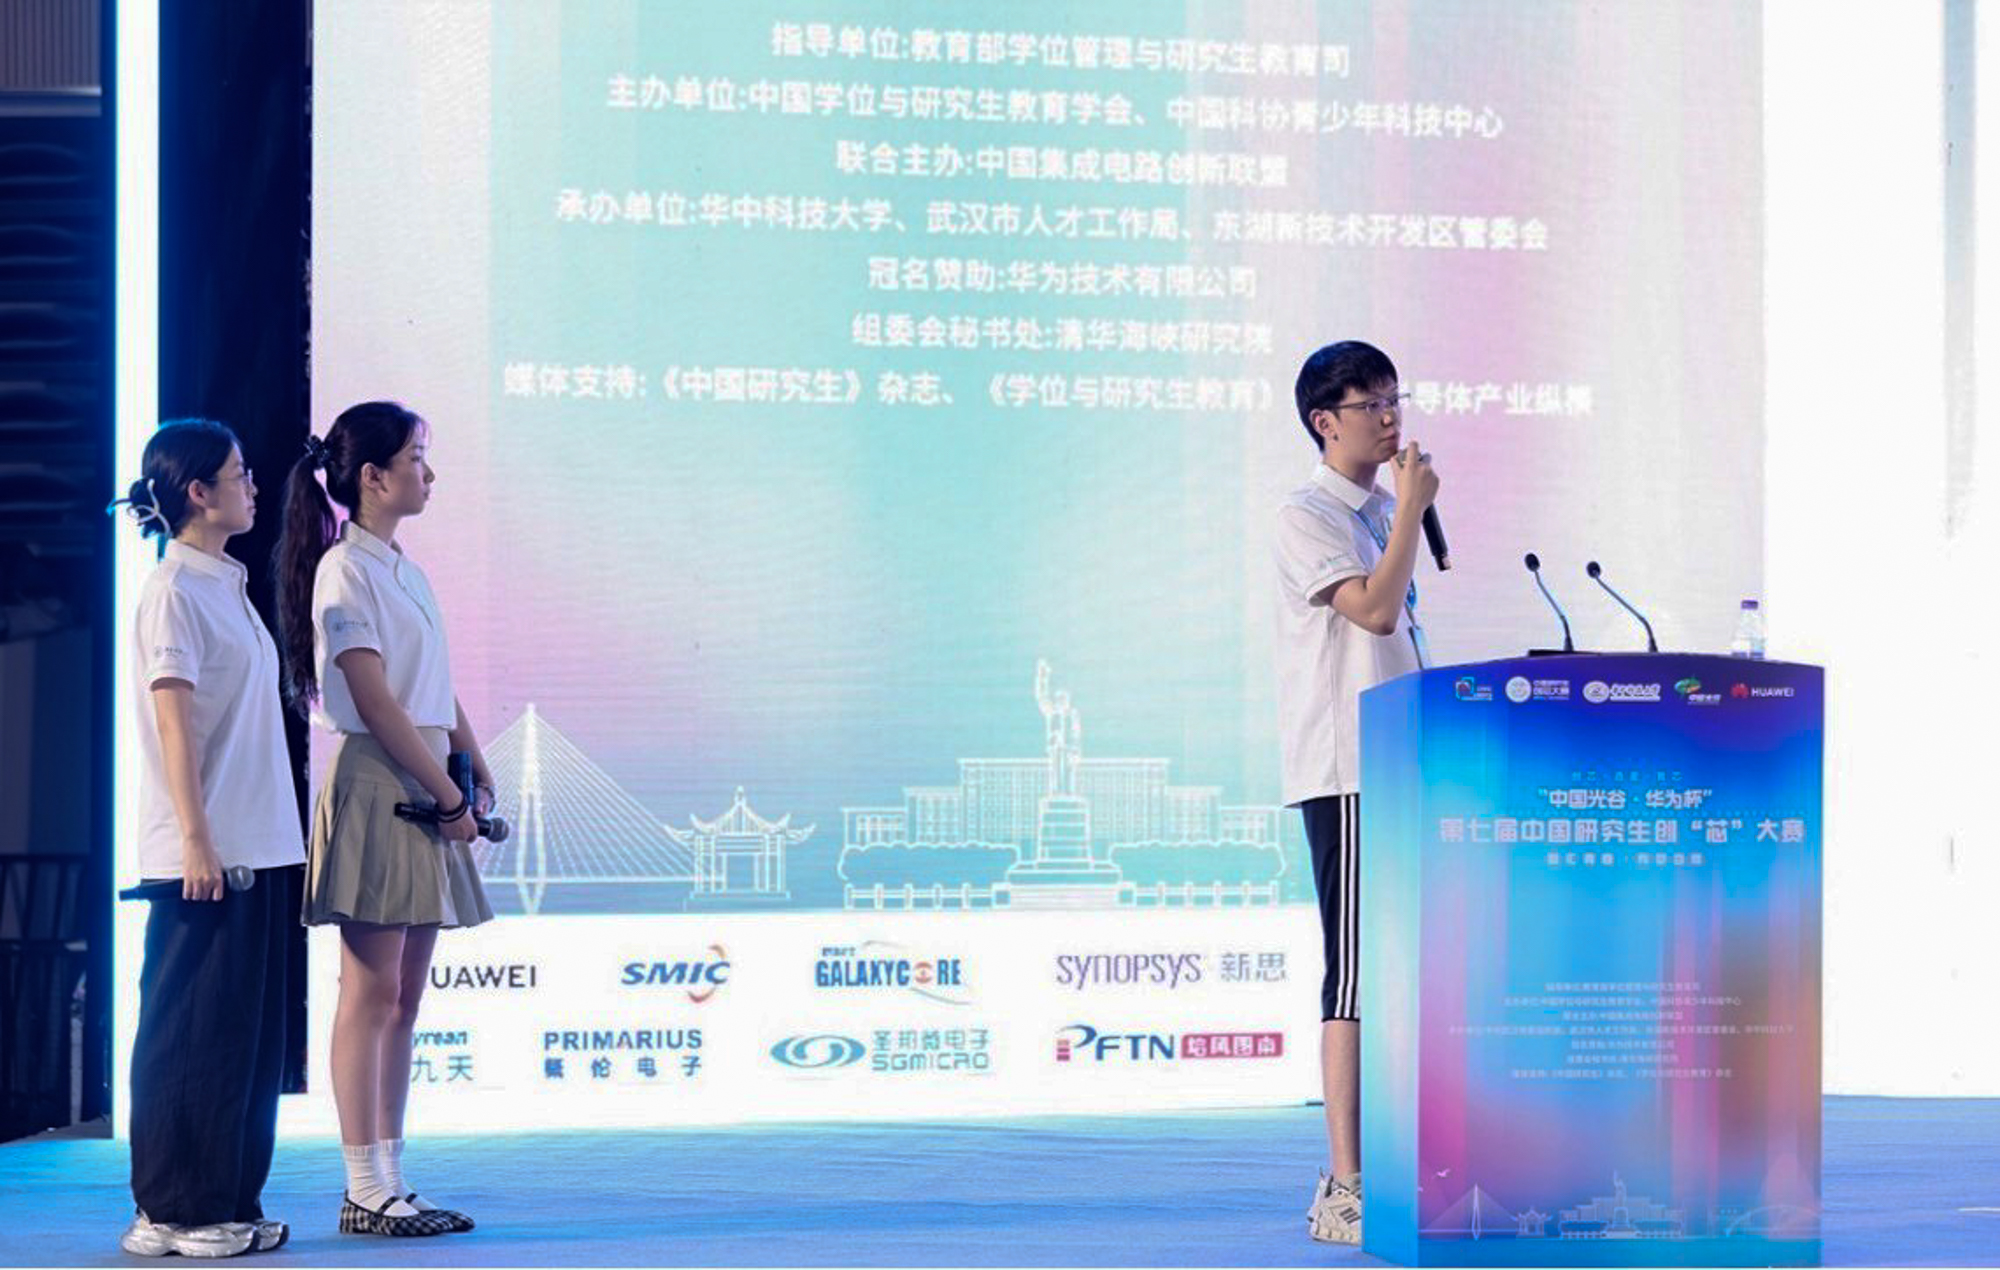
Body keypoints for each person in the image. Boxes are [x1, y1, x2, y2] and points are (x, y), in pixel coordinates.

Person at [273, 400, 494, 1238]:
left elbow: (433, 686)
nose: (428, 474)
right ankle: (363, 1185)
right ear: (371, 476)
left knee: (405, 997)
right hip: (381, 782)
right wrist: (447, 794)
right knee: (368, 993)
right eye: (414, 459)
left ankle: (393, 1179)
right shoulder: (344, 570)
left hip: (428, 778)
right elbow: (372, 699)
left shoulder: (405, 568)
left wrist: (472, 762)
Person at [114, 420, 303, 1258]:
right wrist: (195, 839)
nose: (252, 485)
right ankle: (171, 1210)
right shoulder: (174, 591)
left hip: (259, 844)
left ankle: (226, 1199)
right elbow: (173, 720)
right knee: (189, 1031)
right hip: (208, 851)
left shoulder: (227, 584)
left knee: (244, 1040)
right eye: (239, 473)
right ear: (198, 492)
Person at [1271, 341, 1439, 1244]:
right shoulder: (1309, 516)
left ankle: (1401, 1163)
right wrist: (1410, 509)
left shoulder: (1379, 513)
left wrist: (1399, 512)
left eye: (1393, 398)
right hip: (1350, 774)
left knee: (1404, 971)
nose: (1390, 416)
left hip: (1403, 769)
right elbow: (1372, 612)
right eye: (1370, 403)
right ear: (1323, 421)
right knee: (1357, 974)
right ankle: (1346, 1184)